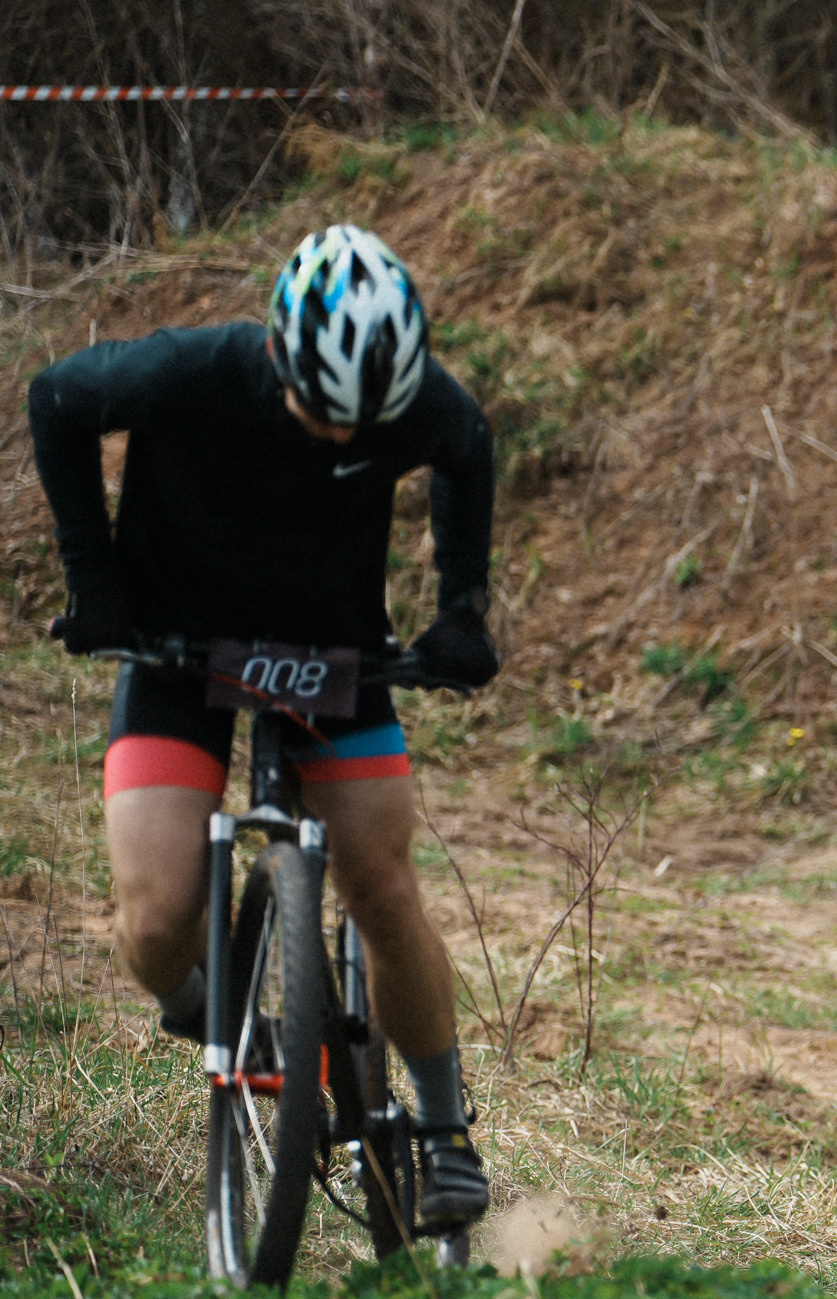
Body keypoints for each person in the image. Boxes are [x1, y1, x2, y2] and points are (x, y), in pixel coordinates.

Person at [28, 224, 502, 1230]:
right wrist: (96, 580)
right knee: (155, 921)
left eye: (360, 424)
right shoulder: (189, 371)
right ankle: (229, 1024)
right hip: (175, 651)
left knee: (380, 877)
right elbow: (57, 400)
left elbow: (469, 451)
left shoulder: (407, 403)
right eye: (321, 413)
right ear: (283, 356)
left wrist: (462, 607)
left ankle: (445, 1124)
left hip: (331, 651)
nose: (339, 437)